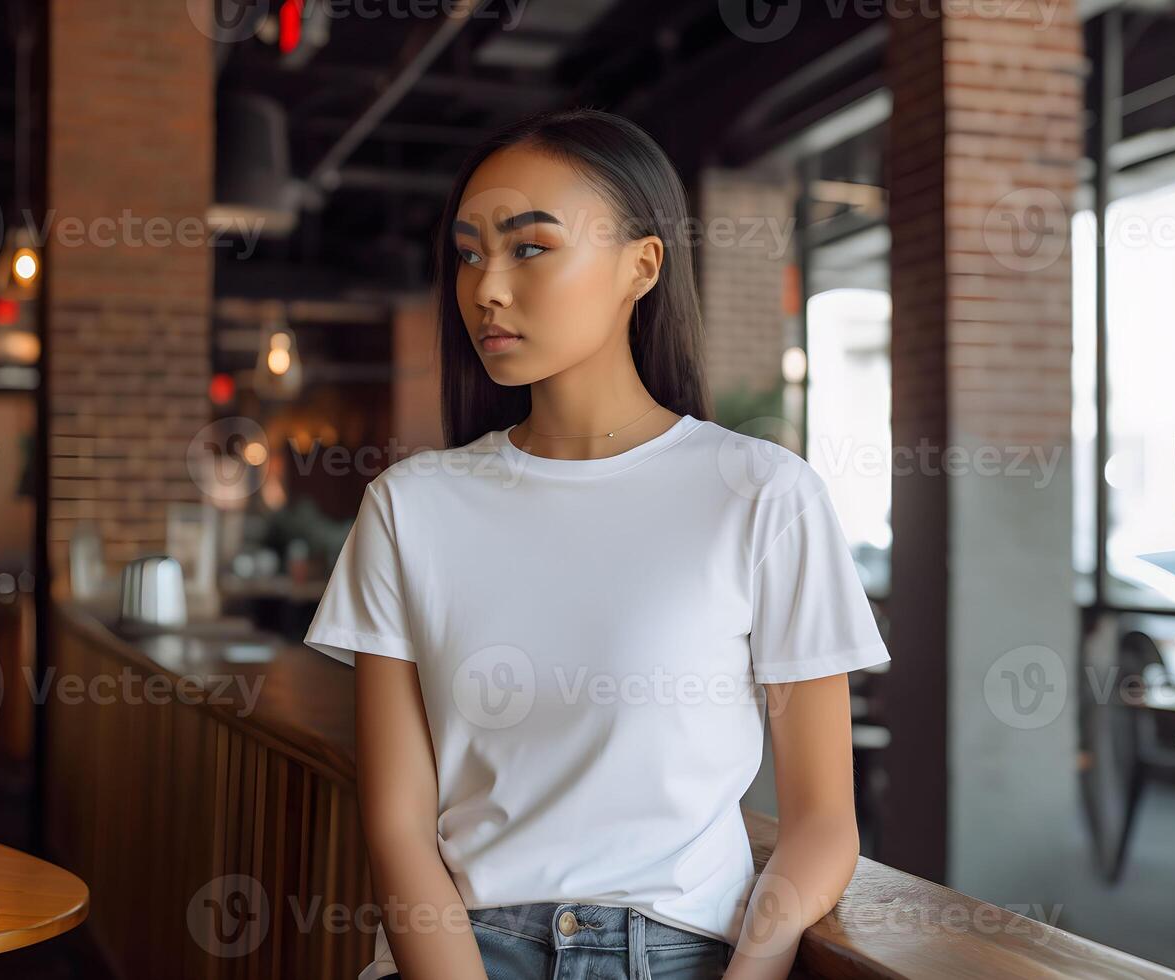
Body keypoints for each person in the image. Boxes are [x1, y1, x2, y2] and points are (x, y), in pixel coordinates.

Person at [304, 107, 890, 980]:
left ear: (641, 266)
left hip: (681, 954)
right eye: (469, 253)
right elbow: (396, 823)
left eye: (528, 247)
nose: (486, 288)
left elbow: (822, 826)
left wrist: (754, 967)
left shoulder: (765, 496)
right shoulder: (409, 507)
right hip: (465, 953)